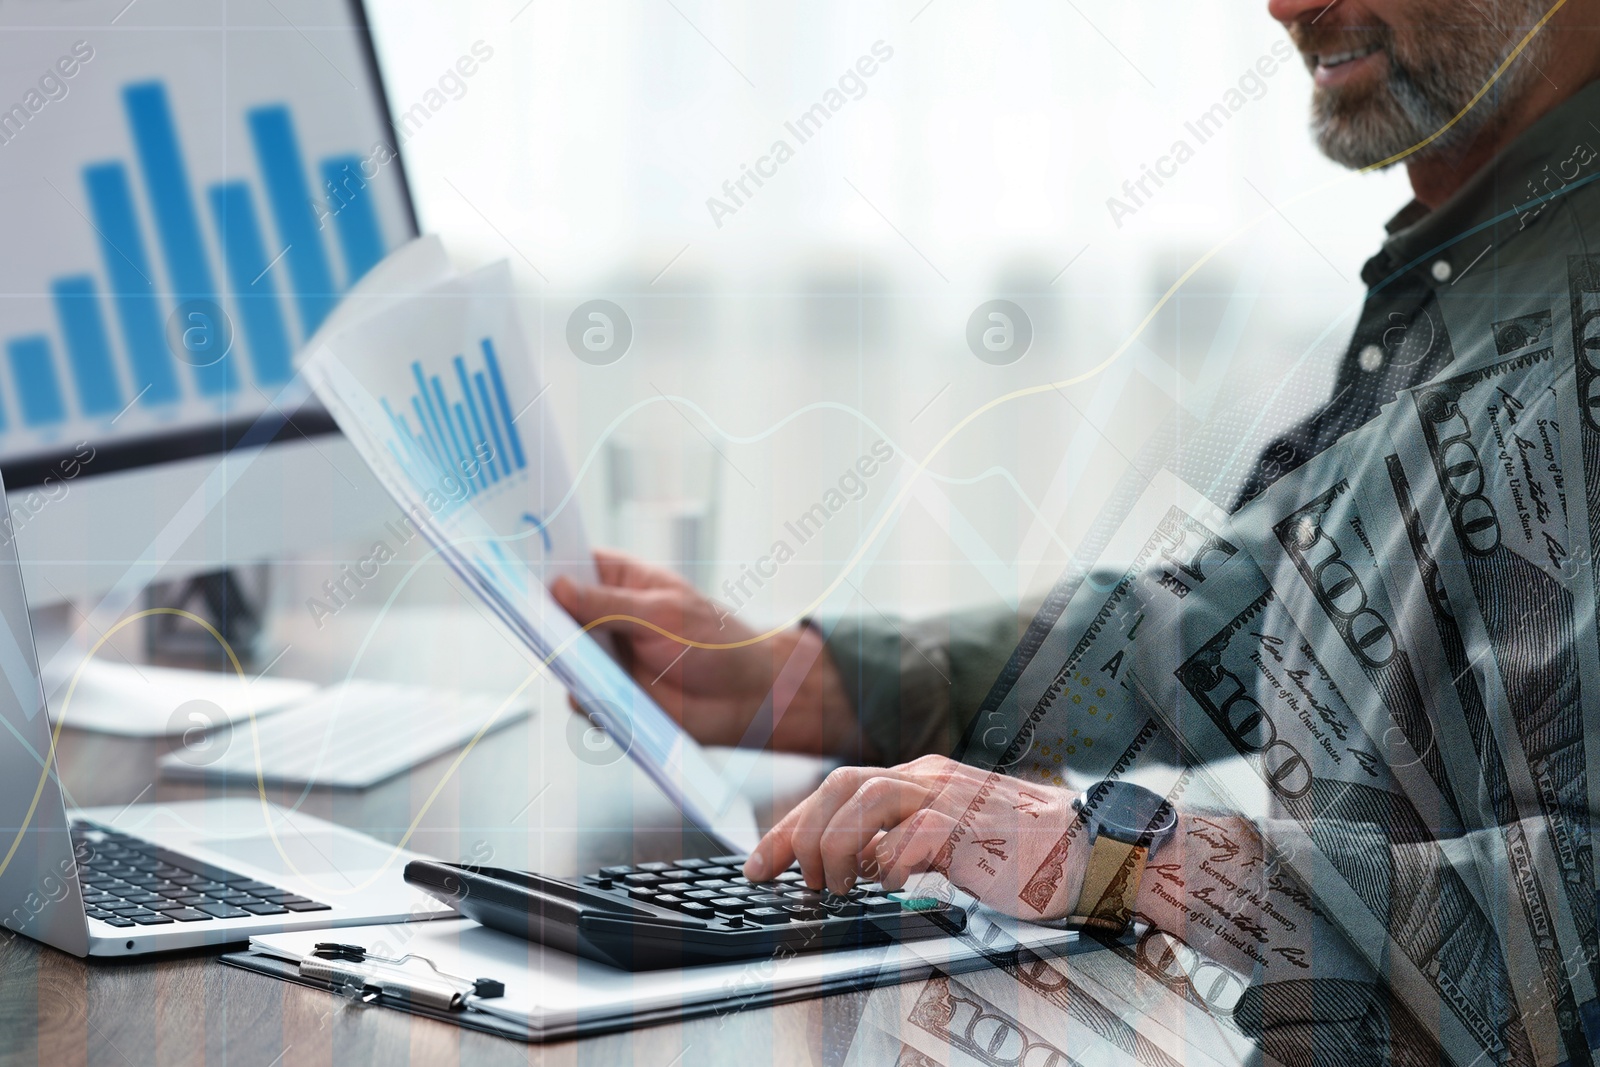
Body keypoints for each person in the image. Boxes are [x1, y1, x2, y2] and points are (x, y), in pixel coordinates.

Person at [553, 0, 1600, 1035]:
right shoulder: (1487, 263)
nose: (1283, 5)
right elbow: (1242, 613)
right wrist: (804, 679)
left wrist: (1117, 857)